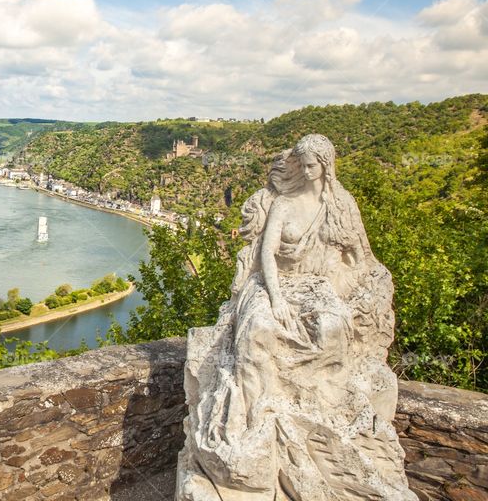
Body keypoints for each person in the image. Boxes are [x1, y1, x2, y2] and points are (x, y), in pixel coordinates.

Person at [177, 134, 417, 501]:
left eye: (312, 166)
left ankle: (330, 408)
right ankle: (253, 417)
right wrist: (275, 298)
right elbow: (267, 256)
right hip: (275, 284)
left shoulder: (342, 205)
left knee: (332, 327)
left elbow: (360, 256)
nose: (305, 172)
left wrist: (357, 290)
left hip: (319, 287)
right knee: (258, 328)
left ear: (326, 166)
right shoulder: (285, 204)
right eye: (301, 166)